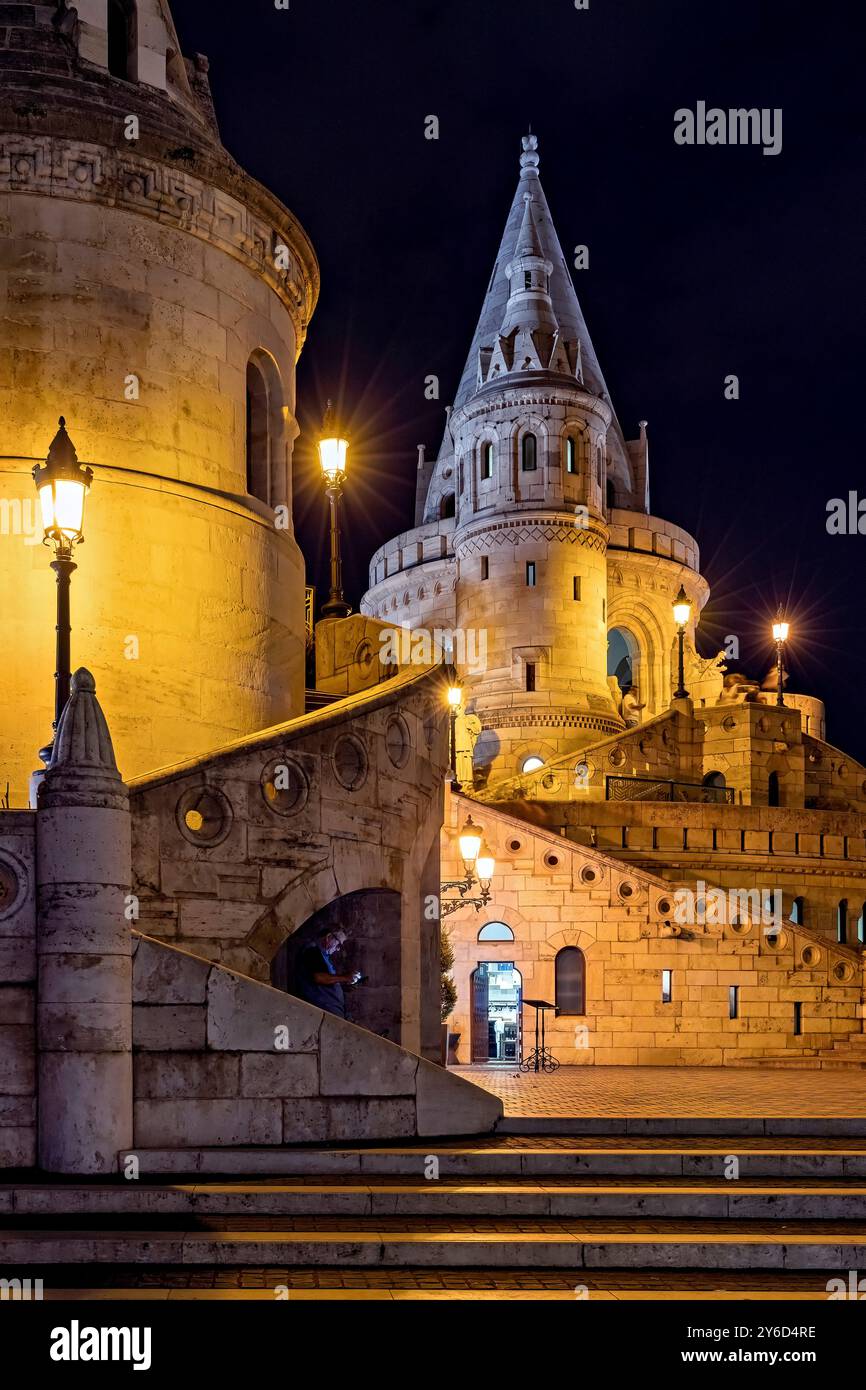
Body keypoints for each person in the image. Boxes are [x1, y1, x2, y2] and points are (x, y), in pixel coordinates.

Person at [294, 927, 360, 1019]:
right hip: (323, 1012)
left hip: (332, 1011)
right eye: (338, 945)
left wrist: (343, 986)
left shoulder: (324, 956)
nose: (338, 949)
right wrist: (345, 977)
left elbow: (324, 983)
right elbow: (319, 977)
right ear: (328, 937)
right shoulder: (312, 951)